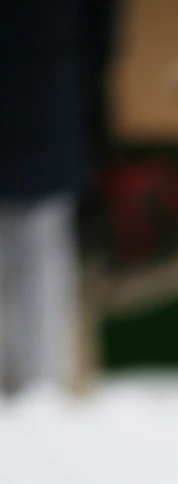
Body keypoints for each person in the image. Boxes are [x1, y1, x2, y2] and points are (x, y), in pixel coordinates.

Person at [0, 0, 119, 393]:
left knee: (38, 247)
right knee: (41, 255)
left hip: (46, 114)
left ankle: (38, 390)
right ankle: (41, 385)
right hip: (50, 112)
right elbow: (100, 40)